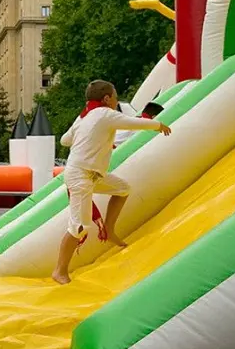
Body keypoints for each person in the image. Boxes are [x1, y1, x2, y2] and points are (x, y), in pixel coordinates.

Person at [53, 80, 171, 285]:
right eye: (115, 96)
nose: (116, 100)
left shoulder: (84, 116)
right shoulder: (104, 114)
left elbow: (65, 140)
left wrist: (86, 136)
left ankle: (109, 229)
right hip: (81, 175)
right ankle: (59, 271)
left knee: (122, 189)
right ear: (107, 98)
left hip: (91, 175)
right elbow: (132, 123)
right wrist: (158, 125)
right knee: (79, 226)